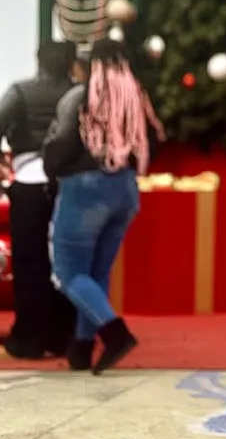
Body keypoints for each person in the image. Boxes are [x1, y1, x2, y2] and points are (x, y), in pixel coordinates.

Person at [43, 38, 165, 374]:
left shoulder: (81, 97)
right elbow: (154, 140)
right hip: (125, 189)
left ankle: (115, 333)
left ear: (93, 64)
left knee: (68, 273)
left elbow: (60, 142)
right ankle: (82, 349)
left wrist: (52, 169)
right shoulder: (136, 97)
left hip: (84, 189)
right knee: (96, 273)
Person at [0, 41, 79, 359]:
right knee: (65, 260)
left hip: (29, 181)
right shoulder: (80, 93)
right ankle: (63, 335)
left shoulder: (20, 92)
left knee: (29, 260)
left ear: (38, 61)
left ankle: (29, 338)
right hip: (69, 183)